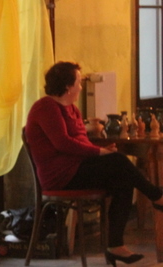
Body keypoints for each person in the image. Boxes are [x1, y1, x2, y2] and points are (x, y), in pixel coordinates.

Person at [24, 61, 163, 266]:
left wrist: (103, 150)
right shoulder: (45, 107)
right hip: (60, 176)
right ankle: (157, 196)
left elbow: (81, 141)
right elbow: (63, 143)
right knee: (119, 162)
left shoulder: (72, 109)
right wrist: (99, 152)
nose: (81, 87)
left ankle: (115, 245)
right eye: (78, 82)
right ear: (68, 86)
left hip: (77, 168)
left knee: (123, 180)